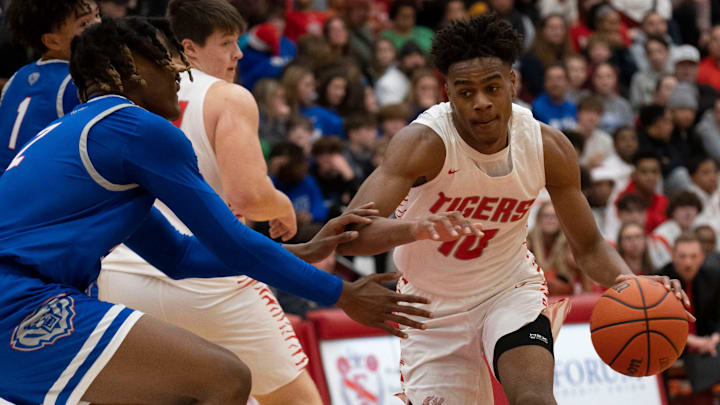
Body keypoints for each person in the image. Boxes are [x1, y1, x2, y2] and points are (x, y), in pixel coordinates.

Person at [0, 17, 459, 404]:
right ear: (132, 69)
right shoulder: (135, 128)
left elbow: (178, 256)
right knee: (226, 378)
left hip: (30, 293)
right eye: (167, 60)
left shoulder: (83, 133)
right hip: (20, 298)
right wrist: (341, 294)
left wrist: (300, 251)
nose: (179, 72)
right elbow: (230, 240)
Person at [336, 15, 691, 405]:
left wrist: (631, 282)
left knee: (534, 398)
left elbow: (588, 246)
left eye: (492, 87)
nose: (482, 102)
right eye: (466, 91)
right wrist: (415, 229)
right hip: (429, 307)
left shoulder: (547, 148)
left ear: (512, 84)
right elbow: (351, 238)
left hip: (508, 290)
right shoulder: (423, 144)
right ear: (447, 92)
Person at [96, 2, 313, 403]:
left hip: (122, 274)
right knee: (297, 400)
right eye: (227, 43)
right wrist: (282, 205)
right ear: (189, 49)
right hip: (210, 277)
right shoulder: (227, 97)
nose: (239, 54)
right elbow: (247, 196)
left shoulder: (125, 96)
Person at [0, 0, 101, 170]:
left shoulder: (18, 77)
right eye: (85, 23)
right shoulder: (79, 81)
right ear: (52, 41)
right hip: (36, 187)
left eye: (98, 15)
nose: (98, 25)